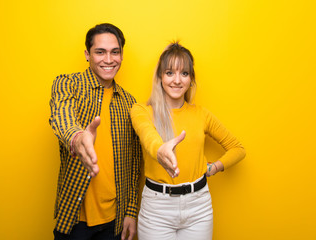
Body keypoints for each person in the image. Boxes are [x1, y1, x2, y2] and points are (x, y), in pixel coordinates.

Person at [130, 42, 246, 240]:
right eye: (169, 73)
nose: (177, 80)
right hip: (157, 209)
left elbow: (238, 148)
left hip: (198, 206)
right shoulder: (142, 111)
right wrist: (159, 149)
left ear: (191, 79)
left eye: (184, 73)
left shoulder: (201, 115)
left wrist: (214, 167)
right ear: (159, 77)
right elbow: (146, 132)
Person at [49, 23, 142, 240]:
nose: (108, 59)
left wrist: (130, 211)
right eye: (100, 52)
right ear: (87, 54)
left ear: (121, 55)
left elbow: (134, 162)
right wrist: (77, 136)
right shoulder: (67, 84)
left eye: (115, 52)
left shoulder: (129, 102)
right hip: (74, 219)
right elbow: (62, 114)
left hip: (114, 222)